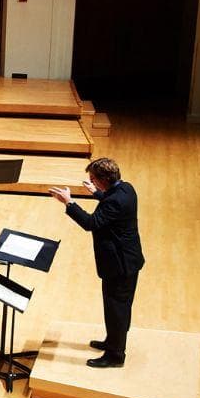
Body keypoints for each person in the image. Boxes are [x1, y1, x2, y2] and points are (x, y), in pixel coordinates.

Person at [50, 157, 145, 368]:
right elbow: (110, 201)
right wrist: (95, 192)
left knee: (117, 309)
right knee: (115, 307)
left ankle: (115, 355)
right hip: (127, 259)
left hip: (120, 265)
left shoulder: (114, 201)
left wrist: (69, 202)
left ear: (103, 179)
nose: (91, 181)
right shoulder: (126, 189)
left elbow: (91, 223)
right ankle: (112, 342)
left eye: (93, 179)